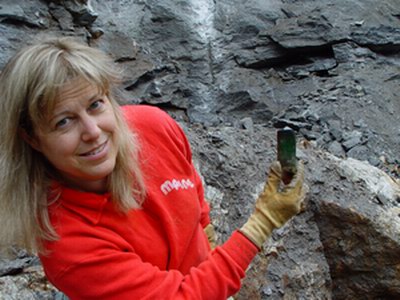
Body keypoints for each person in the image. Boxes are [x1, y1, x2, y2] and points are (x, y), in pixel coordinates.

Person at [0, 36, 306, 300]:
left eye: (95, 104)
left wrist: (209, 244)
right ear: (32, 139)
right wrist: (262, 222)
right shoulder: (67, 244)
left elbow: (192, 188)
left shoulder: (154, 127)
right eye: (63, 121)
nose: (92, 131)